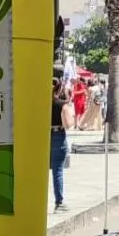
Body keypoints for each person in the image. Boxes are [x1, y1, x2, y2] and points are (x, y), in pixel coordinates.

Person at [50, 78, 74, 214]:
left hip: (42, 136)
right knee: (57, 171)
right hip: (58, 135)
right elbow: (68, 124)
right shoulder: (61, 105)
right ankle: (59, 203)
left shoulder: (38, 103)